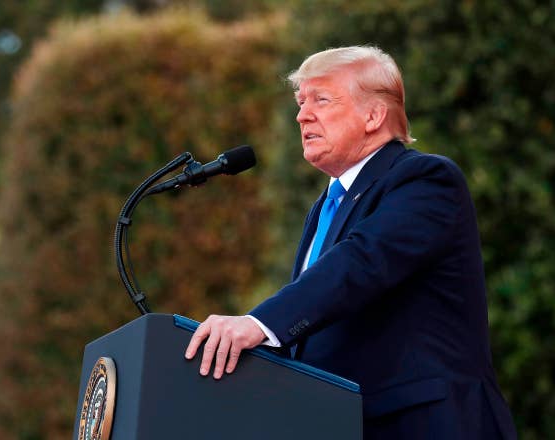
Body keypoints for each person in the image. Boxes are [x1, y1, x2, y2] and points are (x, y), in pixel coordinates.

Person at [184, 46, 516, 439]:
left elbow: (362, 261)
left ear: (373, 115)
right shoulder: (324, 208)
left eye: (321, 99)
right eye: (301, 101)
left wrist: (259, 323)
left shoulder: (425, 179)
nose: (302, 114)